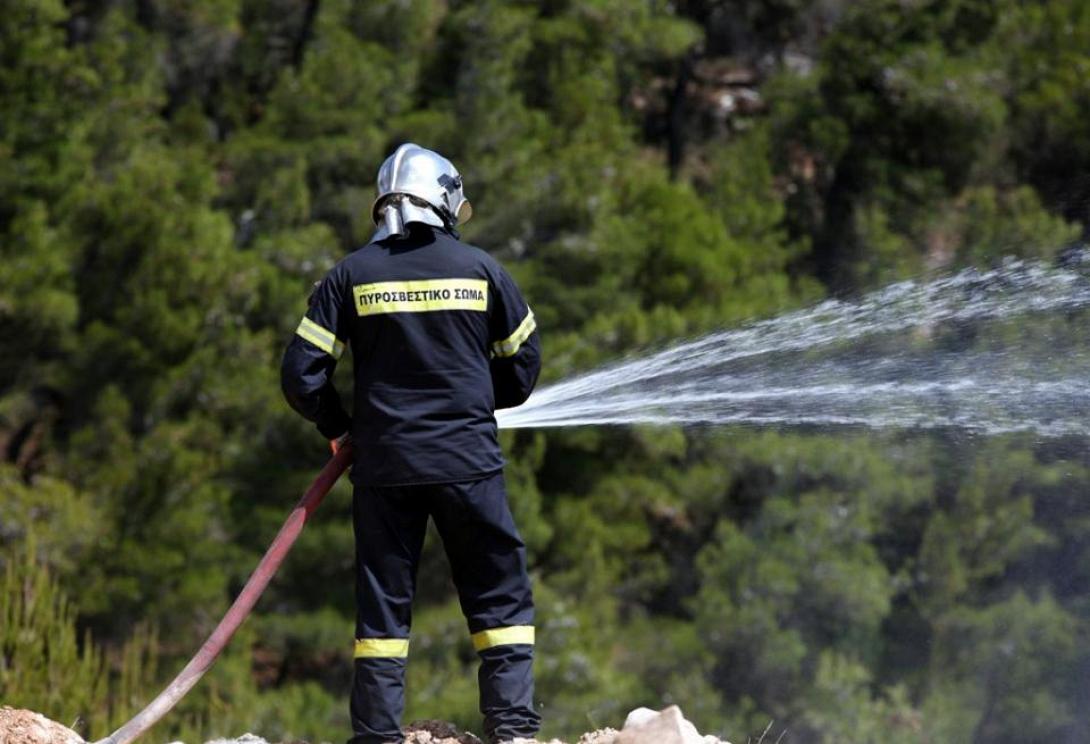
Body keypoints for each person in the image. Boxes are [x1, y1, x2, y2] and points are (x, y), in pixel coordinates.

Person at [280, 143, 542, 744]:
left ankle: (376, 736)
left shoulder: (349, 276)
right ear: (444, 199)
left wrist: (341, 427)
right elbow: (523, 367)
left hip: (383, 469)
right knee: (498, 595)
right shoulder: (482, 269)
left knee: (383, 611)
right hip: (468, 463)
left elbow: (301, 376)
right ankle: (513, 730)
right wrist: (470, 403)